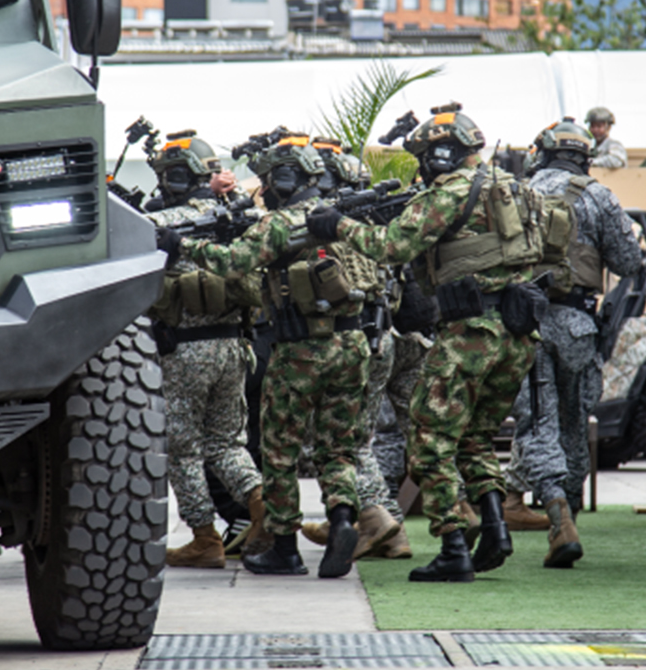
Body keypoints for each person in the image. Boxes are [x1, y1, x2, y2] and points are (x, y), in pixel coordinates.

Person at [305, 103, 541, 583]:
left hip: (472, 332)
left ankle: (454, 546)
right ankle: (495, 528)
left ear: (441, 155)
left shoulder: (450, 192)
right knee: (475, 438)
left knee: (429, 442)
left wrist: (338, 226)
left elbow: (392, 246)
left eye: (426, 156)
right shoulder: (510, 187)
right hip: (517, 330)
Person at [157, 133, 378, 579]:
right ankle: (341, 520)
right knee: (337, 449)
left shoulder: (278, 222)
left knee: (279, 450)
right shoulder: (341, 217)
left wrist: (183, 247)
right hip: (354, 344)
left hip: (301, 348)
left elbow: (234, 261)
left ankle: (284, 547)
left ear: (283, 177)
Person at [505, 119, 644, 567]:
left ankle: (555, 513)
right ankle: (569, 518)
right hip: (579, 326)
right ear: (585, 156)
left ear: (542, 152)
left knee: (536, 422)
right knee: (571, 423)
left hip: (526, 322)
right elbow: (629, 262)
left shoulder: (517, 191)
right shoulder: (599, 196)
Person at [142, 131, 268, 569]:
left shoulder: (156, 222)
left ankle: (203, 537)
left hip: (183, 353)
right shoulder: (233, 212)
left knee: (183, 449)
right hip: (234, 346)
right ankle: (261, 507)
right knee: (228, 444)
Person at [299, 137, 405, 561]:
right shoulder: (366, 220)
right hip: (376, 337)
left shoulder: (330, 224)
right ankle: (382, 526)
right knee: (357, 440)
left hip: (350, 338)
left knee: (346, 445)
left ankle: (378, 521)